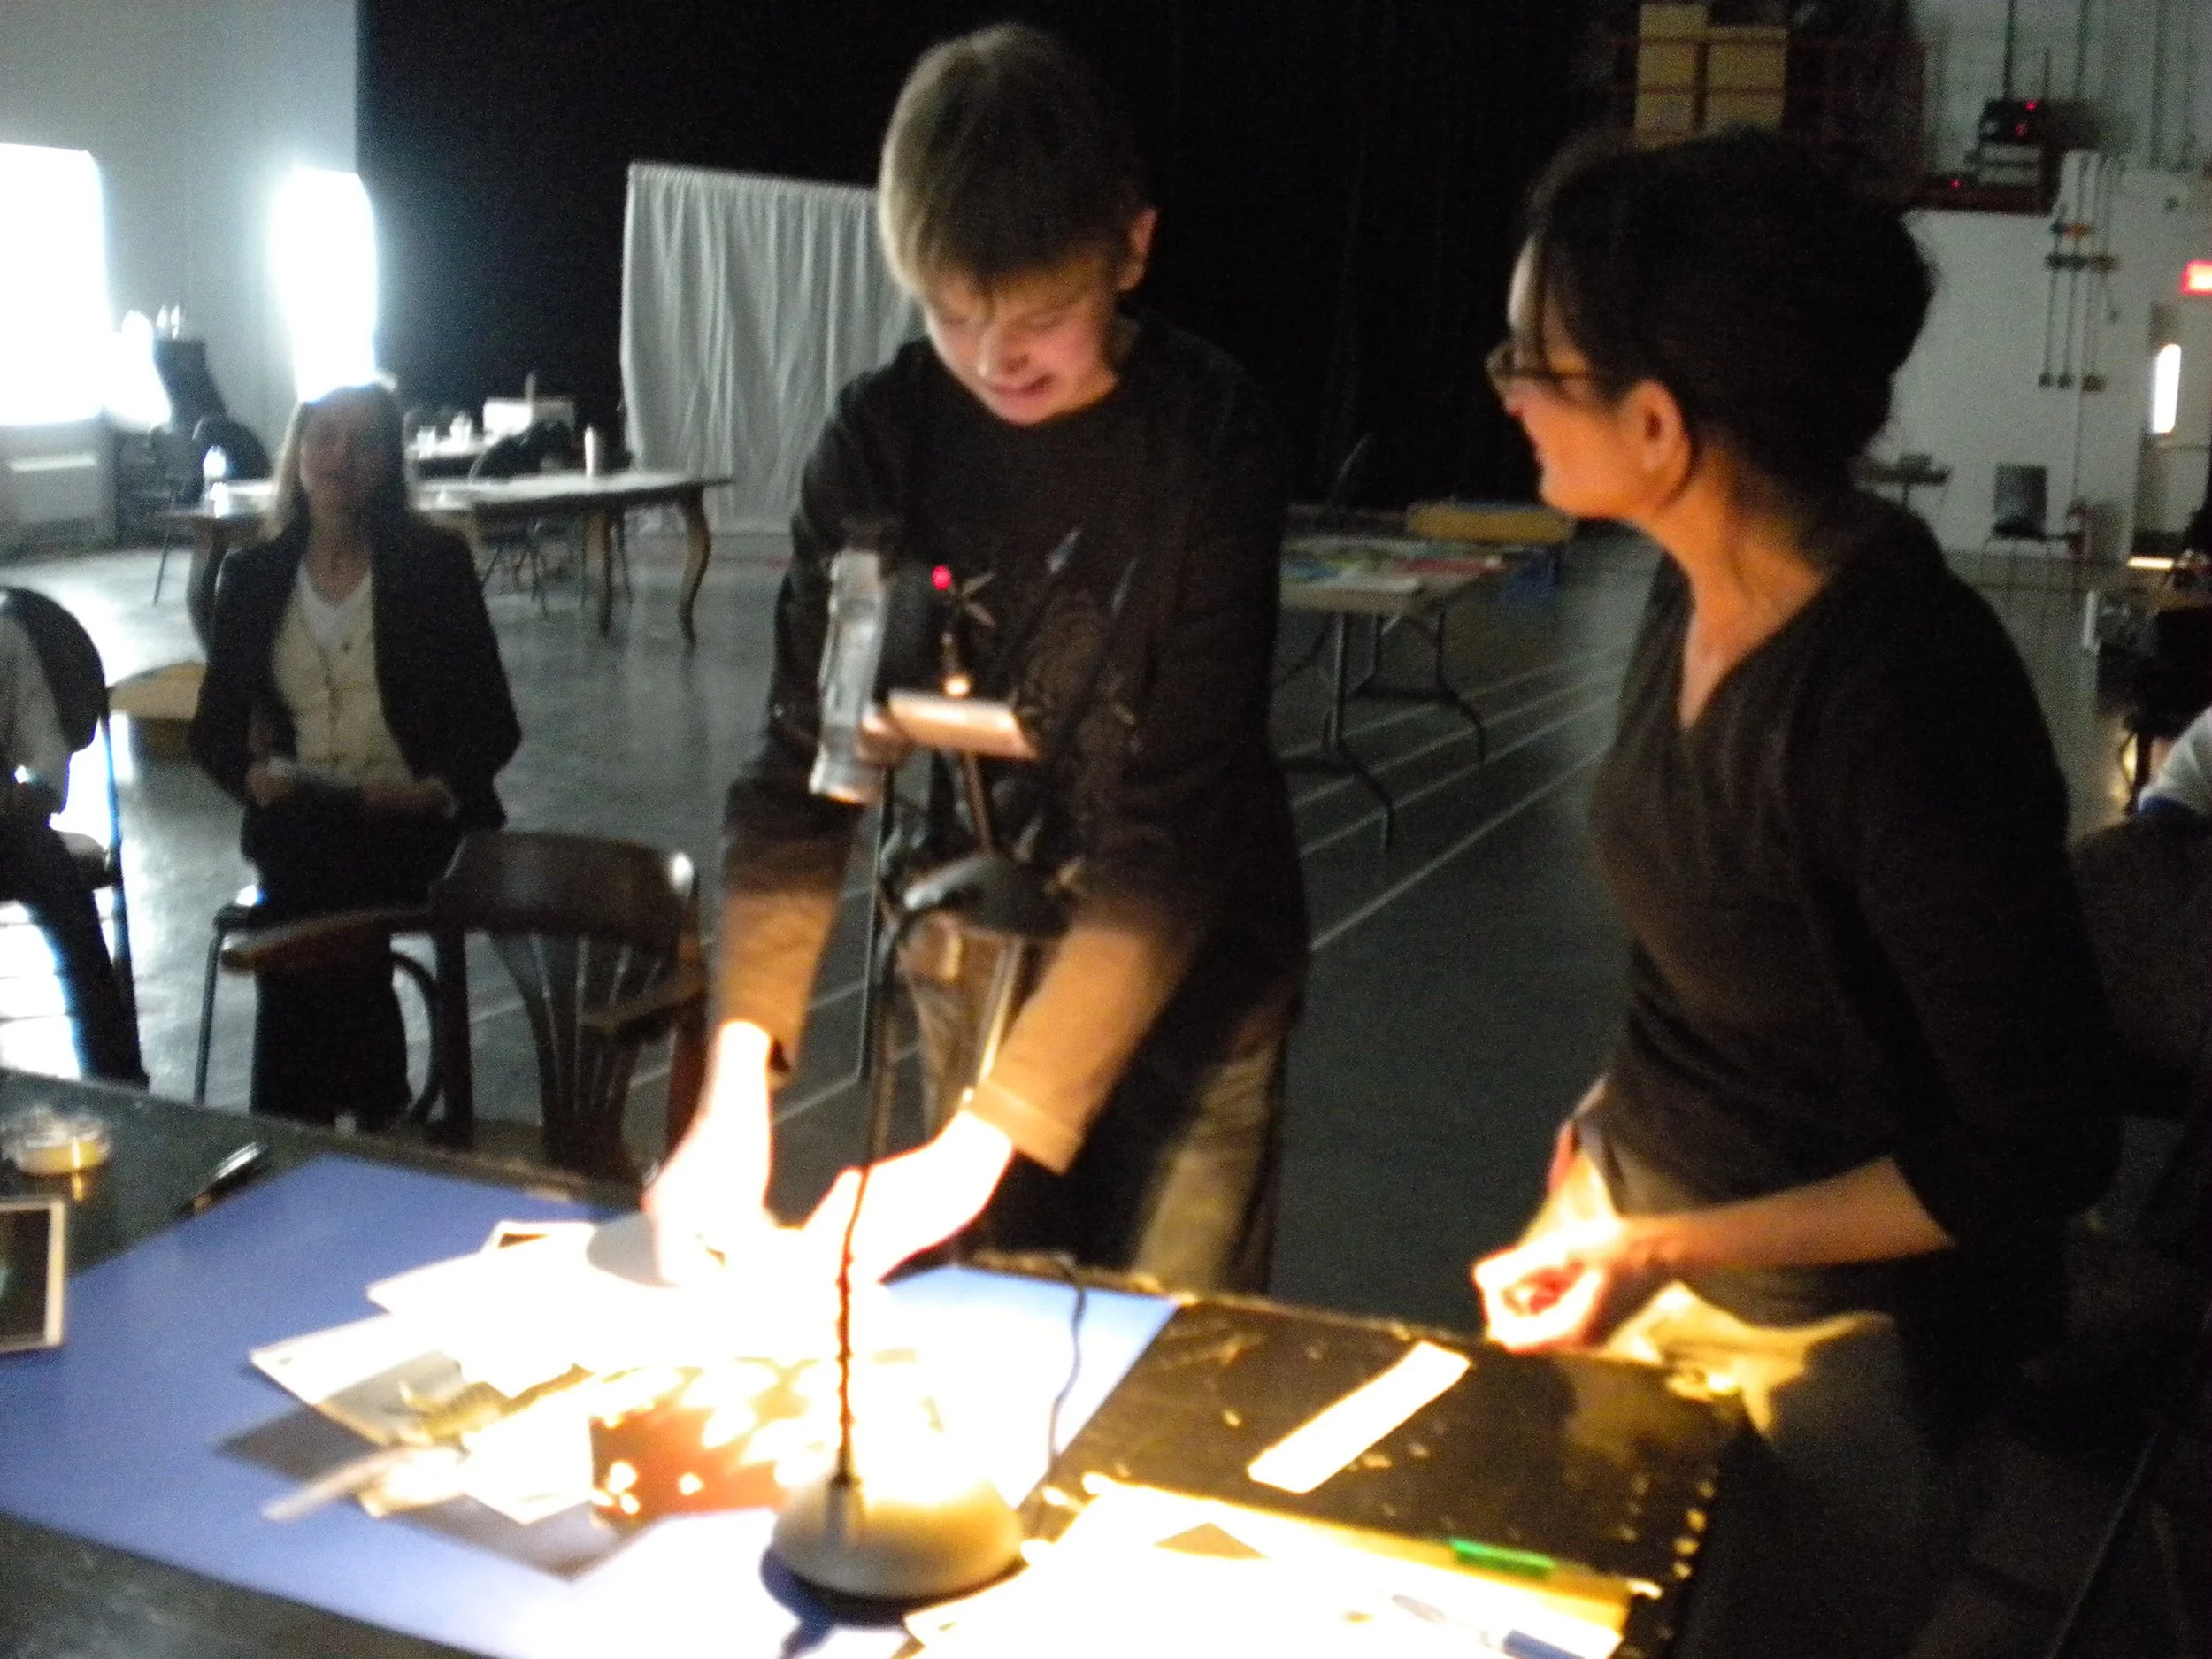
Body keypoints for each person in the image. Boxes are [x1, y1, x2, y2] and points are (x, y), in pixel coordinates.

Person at [1467, 130, 2120, 1655]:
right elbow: (1685, 969)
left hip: (1855, 1344)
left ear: (1655, 426)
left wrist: (1662, 1250)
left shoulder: (1904, 701)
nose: (1501, 384)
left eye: (1529, 359)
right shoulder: (1690, 585)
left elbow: (2038, 1145)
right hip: (1656, 1247)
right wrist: (1596, 1174)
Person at [647, 22, 1306, 1293]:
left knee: (1167, 1371)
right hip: (973, 955)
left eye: (1042, 316)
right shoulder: (881, 442)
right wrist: (737, 1076)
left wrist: (977, 1147)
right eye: (954, 314)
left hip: (1197, 993)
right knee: (975, 1359)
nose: (997, 356)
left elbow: (1173, 830)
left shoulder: (1209, 442)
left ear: (1133, 249)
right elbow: (802, 769)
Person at [190, 382, 519, 1126]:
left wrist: (434, 789)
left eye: (362, 440)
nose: (340, 454)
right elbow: (212, 734)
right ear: (298, 452)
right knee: (309, 851)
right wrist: (252, 779)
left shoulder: (433, 566)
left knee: (304, 892)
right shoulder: (251, 578)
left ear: (388, 461)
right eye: (324, 435)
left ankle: (291, 1120)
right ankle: (378, 1104)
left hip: (417, 819)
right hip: (308, 814)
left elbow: (495, 723)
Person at [0, 604, 141, 1083]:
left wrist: (35, 795)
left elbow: (42, 740)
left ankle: (116, 1075)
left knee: (53, 870)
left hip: (6, 825)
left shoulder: (5, 635)